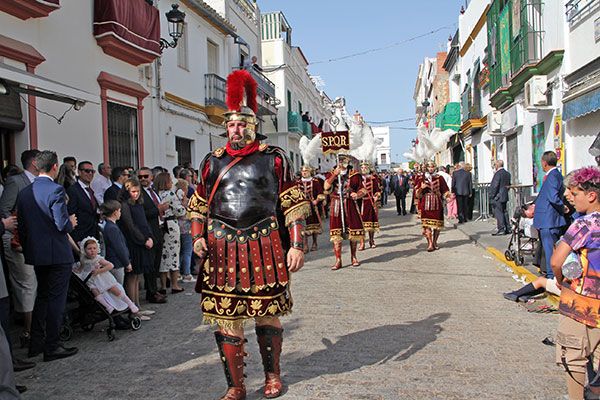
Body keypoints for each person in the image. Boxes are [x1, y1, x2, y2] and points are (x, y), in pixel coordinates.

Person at [187, 69, 309, 400]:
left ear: (253, 126)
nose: (235, 130)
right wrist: (197, 236)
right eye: (231, 124)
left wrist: (296, 244)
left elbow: (292, 204)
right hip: (221, 246)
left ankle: (272, 376)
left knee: (267, 312)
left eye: (241, 124)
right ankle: (235, 385)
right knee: (227, 318)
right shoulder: (211, 162)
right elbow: (198, 204)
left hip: (264, 243)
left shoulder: (275, 159)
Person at [16, 150, 78, 362]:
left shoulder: (25, 192)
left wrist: (28, 248)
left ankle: (36, 343)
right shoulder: (55, 190)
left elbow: (21, 227)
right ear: (54, 167)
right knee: (56, 300)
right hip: (57, 252)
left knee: (41, 297)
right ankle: (52, 345)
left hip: (37, 252)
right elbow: (61, 224)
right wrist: (71, 223)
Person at [549, 166, 600, 400]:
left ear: (591, 195)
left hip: (582, 301)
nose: (571, 197)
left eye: (575, 193)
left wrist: (560, 281)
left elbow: (557, 261)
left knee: (574, 358)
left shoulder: (584, 225)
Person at [0, 149, 40, 349]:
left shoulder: (40, 182)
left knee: (35, 283)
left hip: (35, 240)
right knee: (26, 284)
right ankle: (28, 330)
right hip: (16, 240)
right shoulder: (16, 181)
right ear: (34, 162)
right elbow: (5, 209)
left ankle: (37, 328)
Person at [118, 178, 155, 320]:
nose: (136, 194)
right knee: (132, 276)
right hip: (133, 243)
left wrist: (150, 236)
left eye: (138, 191)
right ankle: (133, 310)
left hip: (142, 241)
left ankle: (138, 306)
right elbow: (130, 226)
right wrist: (144, 239)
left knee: (137, 276)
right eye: (133, 191)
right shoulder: (125, 205)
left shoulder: (138, 204)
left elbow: (144, 222)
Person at [73, 237, 139, 315]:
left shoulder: (98, 259)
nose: (92, 250)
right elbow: (81, 268)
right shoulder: (83, 259)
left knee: (115, 290)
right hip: (91, 279)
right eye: (89, 249)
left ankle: (130, 303)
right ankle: (108, 306)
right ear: (84, 250)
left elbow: (110, 265)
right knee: (95, 292)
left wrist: (99, 271)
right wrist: (77, 271)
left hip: (102, 277)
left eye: (94, 248)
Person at [324, 155, 365, 269]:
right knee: (336, 235)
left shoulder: (355, 175)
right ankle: (338, 260)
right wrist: (334, 175)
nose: (342, 162)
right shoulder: (331, 173)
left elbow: (363, 189)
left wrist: (357, 194)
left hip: (349, 204)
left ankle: (353, 257)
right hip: (336, 205)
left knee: (353, 233)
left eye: (344, 160)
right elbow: (326, 186)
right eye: (340, 160)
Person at [533, 151, 566, 279]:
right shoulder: (553, 175)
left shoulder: (553, 176)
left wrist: (562, 207)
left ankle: (552, 276)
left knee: (550, 250)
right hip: (547, 218)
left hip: (549, 219)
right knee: (548, 249)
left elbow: (552, 196)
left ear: (544, 162)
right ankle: (550, 273)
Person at [138, 167, 167, 304]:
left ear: (151, 177)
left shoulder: (153, 191)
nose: (143, 179)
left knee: (156, 262)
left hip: (159, 229)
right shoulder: (138, 193)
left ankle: (155, 290)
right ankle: (151, 292)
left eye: (145, 176)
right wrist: (158, 209)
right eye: (140, 177)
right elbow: (141, 214)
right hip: (149, 231)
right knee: (150, 263)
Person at [153, 172, 185, 294]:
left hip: (160, 225)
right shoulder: (170, 194)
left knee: (163, 256)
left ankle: (162, 286)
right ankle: (175, 284)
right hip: (171, 226)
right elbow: (180, 211)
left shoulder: (155, 194)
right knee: (173, 255)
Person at [416, 161, 450, 252]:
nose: (431, 168)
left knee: (437, 226)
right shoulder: (422, 178)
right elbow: (417, 194)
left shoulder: (440, 178)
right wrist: (421, 188)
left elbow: (445, 190)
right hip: (425, 204)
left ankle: (435, 242)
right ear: (426, 168)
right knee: (427, 226)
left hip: (437, 203)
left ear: (435, 167)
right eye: (429, 167)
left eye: (432, 167)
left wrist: (447, 196)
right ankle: (430, 243)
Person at [67, 161, 100, 243]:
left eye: (92, 171)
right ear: (79, 172)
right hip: (80, 237)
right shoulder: (73, 190)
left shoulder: (91, 191)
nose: (90, 174)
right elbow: (71, 214)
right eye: (87, 171)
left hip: (93, 236)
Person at [100, 200, 131, 286]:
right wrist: (127, 263)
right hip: (116, 264)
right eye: (119, 211)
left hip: (116, 262)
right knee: (118, 287)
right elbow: (119, 248)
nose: (120, 213)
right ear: (115, 212)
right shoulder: (112, 228)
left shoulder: (110, 226)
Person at [297, 165, 325, 252]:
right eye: (303, 171)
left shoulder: (315, 182)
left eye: (306, 171)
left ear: (310, 172)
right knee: (303, 227)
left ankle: (314, 243)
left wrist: (316, 200)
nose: (304, 173)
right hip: (302, 207)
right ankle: (305, 245)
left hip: (313, 207)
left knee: (314, 227)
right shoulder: (298, 182)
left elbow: (321, 193)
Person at [174, 178, 195, 283]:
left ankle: (177, 273)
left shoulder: (174, 199)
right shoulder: (185, 200)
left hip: (177, 228)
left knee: (179, 252)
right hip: (186, 229)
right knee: (187, 252)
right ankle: (186, 273)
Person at [358, 161, 381, 250]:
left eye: (365, 167)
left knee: (371, 224)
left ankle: (371, 240)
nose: (363, 169)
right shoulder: (357, 178)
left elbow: (377, 190)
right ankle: (362, 242)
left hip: (370, 203)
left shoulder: (373, 178)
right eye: (362, 167)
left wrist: (376, 196)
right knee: (360, 224)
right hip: (360, 203)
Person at [489, 160, 511, 235]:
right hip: (504, 195)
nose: (494, 166)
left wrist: (492, 195)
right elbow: (508, 185)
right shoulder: (507, 173)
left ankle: (501, 229)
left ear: (497, 165)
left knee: (499, 213)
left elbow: (495, 186)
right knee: (504, 212)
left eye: (495, 165)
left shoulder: (498, 174)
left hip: (497, 196)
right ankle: (508, 228)